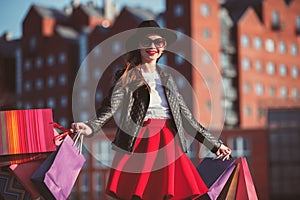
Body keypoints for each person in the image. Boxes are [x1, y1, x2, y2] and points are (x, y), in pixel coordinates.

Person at [71, 20, 231, 200]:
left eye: (158, 42)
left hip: (169, 141)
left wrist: (214, 144)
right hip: (141, 141)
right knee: (142, 194)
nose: (153, 46)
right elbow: (110, 105)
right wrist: (90, 126)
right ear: (138, 45)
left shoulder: (168, 78)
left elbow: (187, 118)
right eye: (147, 41)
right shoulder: (126, 75)